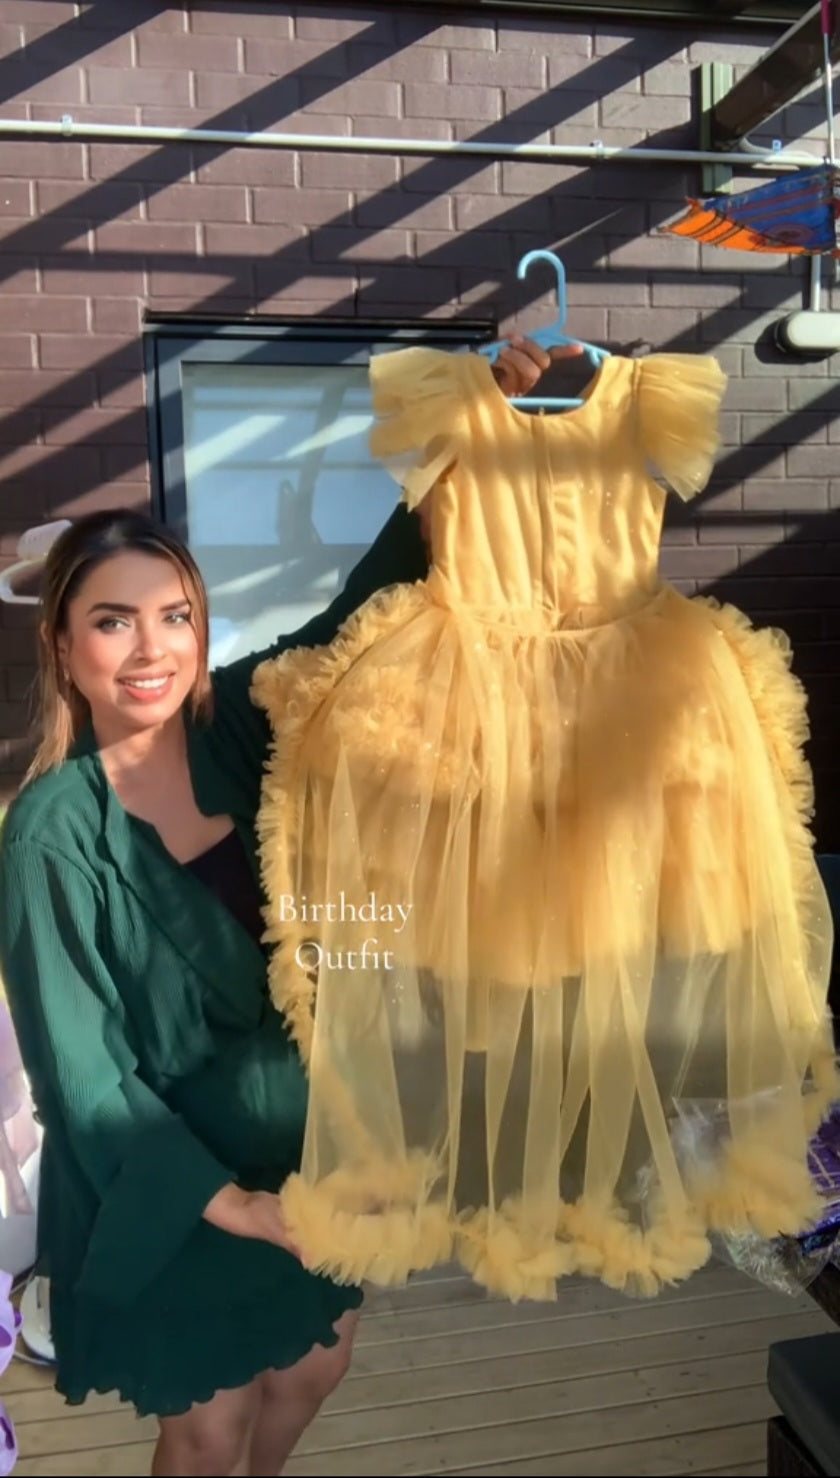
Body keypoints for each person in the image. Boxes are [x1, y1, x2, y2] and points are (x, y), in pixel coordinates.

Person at [0, 339, 552, 1477]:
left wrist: (467, 440)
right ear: (63, 644)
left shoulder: (244, 726)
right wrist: (241, 1206)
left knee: (308, 1370)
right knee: (206, 1426)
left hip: (315, 1142)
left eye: (173, 615)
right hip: (178, 1177)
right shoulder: (54, 830)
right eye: (113, 621)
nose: (149, 648)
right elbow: (86, 1077)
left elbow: (367, 612)